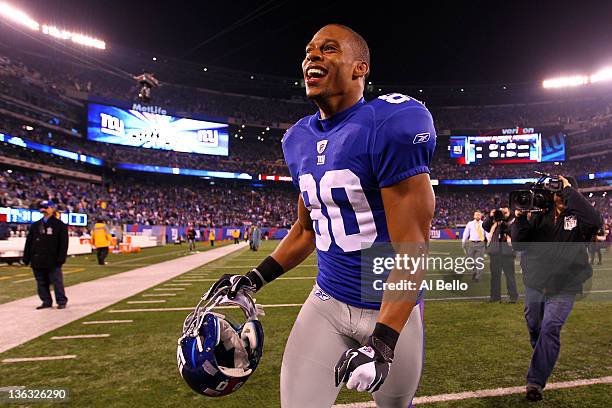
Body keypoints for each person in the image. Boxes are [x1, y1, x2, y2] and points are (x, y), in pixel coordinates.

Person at [204, 24, 436, 407]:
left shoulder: (390, 124)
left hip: (391, 310)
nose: (312, 56)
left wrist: (382, 343)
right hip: (327, 303)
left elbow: (412, 249)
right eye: (309, 50)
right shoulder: (297, 139)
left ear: (360, 68)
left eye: (329, 49)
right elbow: (305, 228)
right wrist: (254, 278)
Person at [511, 176, 602, 401]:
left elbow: (596, 221)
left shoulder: (580, 217)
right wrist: (520, 219)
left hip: (565, 285)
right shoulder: (540, 212)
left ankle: (535, 383)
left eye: (563, 191)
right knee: (535, 325)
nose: (558, 195)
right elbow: (519, 243)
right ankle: (543, 354)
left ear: (572, 192)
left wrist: (569, 190)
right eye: (557, 191)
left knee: (550, 327)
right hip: (535, 282)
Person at [23, 200, 69, 309]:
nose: (44, 210)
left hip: (53, 259)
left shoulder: (59, 225)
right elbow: (29, 242)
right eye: (42, 208)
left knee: (56, 282)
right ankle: (46, 301)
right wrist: (26, 257)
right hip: (37, 259)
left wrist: (61, 258)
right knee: (41, 282)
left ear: (53, 209)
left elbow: (63, 244)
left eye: (46, 207)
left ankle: (61, 301)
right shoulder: (35, 225)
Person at [483, 207, 519, 303]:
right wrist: (490, 217)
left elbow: (511, 230)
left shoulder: (512, 220)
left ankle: (513, 297)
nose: (502, 214)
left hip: (507, 253)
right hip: (495, 252)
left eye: (505, 211)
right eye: (501, 212)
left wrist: (504, 220)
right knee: (495, 276)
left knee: (510, 275)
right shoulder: (494, 222)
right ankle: (495, 297)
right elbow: (485, 226)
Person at [461, 210, 486, 281]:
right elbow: (466, 233)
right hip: (471, 243)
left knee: (479, 261)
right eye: (476, 215)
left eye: (479, 214)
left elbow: (487, 233)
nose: (477, 216)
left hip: (481, 244)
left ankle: (478, 276)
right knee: (469, 259)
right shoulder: (470, 223)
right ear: (474, 216)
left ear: (481, 216)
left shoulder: (484, 223)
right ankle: (474, 270)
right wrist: (463, 241)